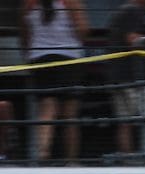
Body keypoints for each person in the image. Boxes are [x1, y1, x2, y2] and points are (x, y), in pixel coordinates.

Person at [19, 0, 88, 162]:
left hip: (40, 59)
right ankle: (71, 160)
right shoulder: (71, 2)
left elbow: (24, 34)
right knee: (70, 114)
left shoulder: (29, 4)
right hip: (69, 59)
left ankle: (42, 154)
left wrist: (28, 56)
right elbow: (83, 30)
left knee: (46, 110)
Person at [108, 0, 145, 155]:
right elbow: (133, 40)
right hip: (134, 77)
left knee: (125, 122)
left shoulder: (124, 11)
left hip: (121, 75)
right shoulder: (132, 11)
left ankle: (127, 159)